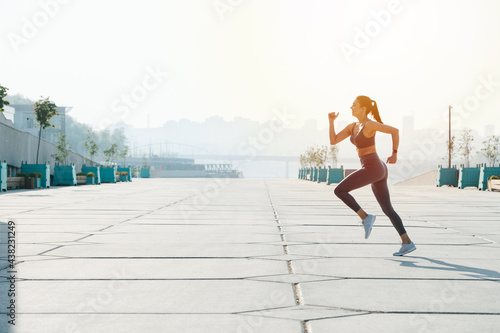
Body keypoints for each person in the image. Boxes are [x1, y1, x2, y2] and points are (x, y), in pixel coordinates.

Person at [328, 95, 416, 256]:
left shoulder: (369, 125)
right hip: (376, 168)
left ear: (363, 108)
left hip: (374, 167)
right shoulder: (352, 126)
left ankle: (366, 217)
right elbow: (333, 141)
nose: (351, 107)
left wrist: (394, 154)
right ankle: (407, 242)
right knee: (387, 208)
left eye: (354, 105)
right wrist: (331, 121)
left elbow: (394, 131)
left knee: (339, 190)